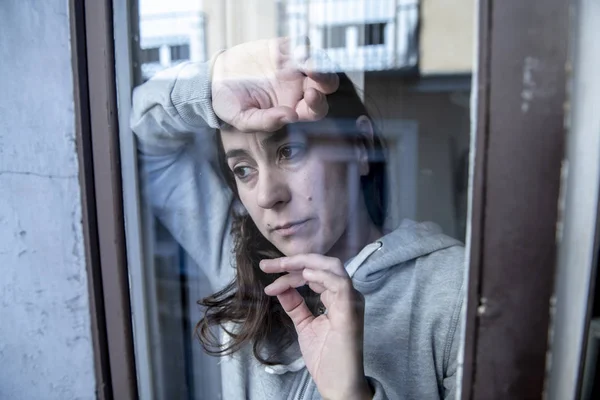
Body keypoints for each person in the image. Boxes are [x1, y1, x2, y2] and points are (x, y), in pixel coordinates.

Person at [131, 38, 465, 400]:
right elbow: (146, 138)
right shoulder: (240, 261)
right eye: (243, 169)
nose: (267, 195)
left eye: (289, 151)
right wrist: (213, 85)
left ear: (360, 146)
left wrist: (349, 393)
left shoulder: (454, 289)